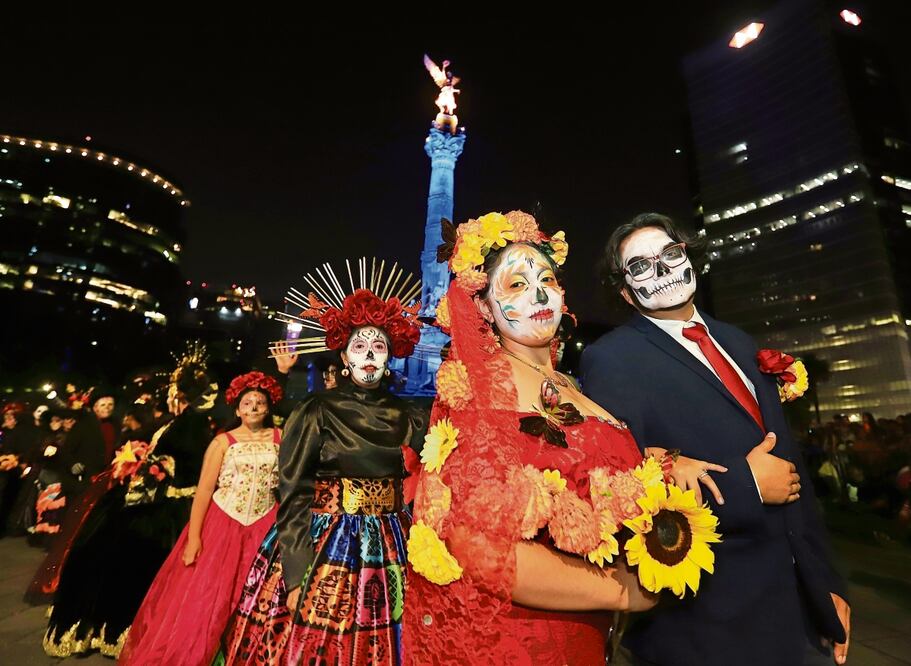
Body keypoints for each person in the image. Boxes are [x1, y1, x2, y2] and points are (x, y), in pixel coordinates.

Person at [580, 213, 850, 666]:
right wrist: (747, 486)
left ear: (688, 257)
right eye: (641, 266)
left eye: (669, 253)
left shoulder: (738, 341)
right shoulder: (612, 360)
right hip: (706, 627)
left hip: (798, 615)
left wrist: (827, 586)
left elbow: (793, 471)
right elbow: (619, 489)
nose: (662, 270)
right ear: (626, 291)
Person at [404, 211, 655, 665]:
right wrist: (619, 592)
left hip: (593, 637)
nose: (539, 293)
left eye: (547, 279)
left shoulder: (572, 387)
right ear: (482, 306)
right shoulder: (480, 391)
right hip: (525, 642)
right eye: (516, 284)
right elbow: (475, 544)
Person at [215, 269, 427, 665]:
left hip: (391, 543)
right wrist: (296, 574)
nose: (368, 355)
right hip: (327, 539)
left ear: (391, 354)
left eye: (377, 347)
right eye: (359, 346)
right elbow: (292, 489)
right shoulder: (316, 410)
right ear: (344, 356)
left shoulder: (409, 415)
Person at [43, 347, 217, 658]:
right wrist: (138, 465)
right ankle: (100, 624)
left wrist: (153, 471)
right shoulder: (178, 422)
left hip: (170, 508)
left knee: (126, 556)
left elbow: (183, 466)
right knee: (100, 546)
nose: (168, 398)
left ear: (182, 395)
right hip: (156, 498)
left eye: (173, 393)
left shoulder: (191, 425)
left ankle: (121, 628)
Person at [120, 371, 284, 665]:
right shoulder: (223, 442)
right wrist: (194, 537)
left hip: (265, 525)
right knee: (209, 598)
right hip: (224, 523)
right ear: (237, 409)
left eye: (260, 402)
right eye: (247, 403)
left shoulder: (280, 438)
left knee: (258, 595)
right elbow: (205, 490)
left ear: (269, 408)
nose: (254, 408)